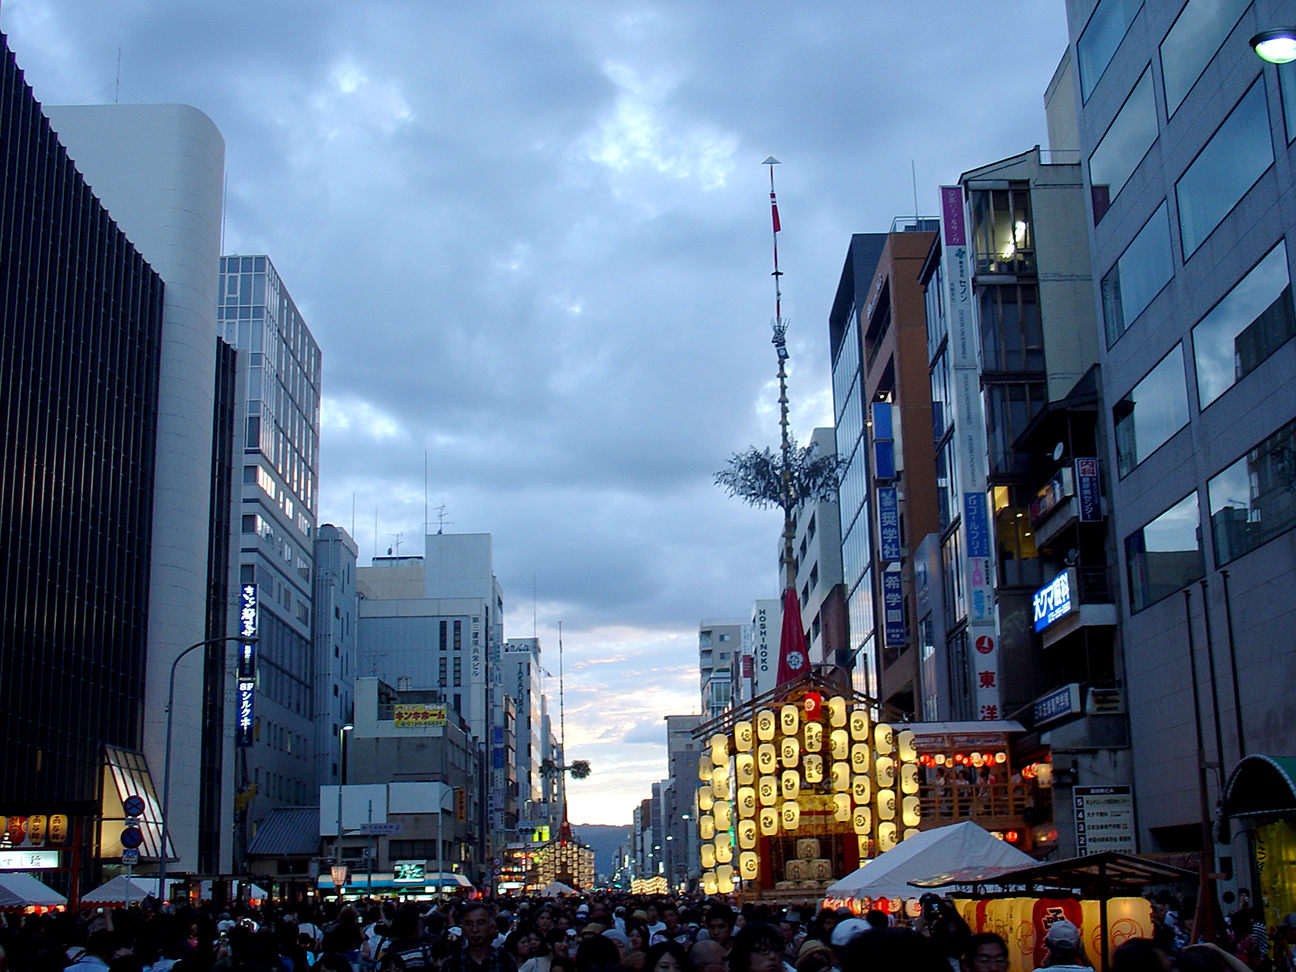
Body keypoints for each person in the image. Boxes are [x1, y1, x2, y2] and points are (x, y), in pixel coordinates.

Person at [443, 905, 517, 972]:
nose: (475, 929)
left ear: (490, 927)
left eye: (480, 923)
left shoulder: (505, 960)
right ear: (463, 929)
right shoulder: (452, 964)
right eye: (469, 924)